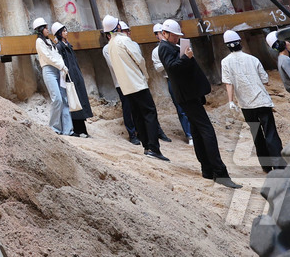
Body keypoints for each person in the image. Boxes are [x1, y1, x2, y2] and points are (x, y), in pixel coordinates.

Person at [158, 19, 239, 188]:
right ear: (165, 33)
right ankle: (219, 172)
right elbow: (172, 68)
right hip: (187, 96)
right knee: (206, 130)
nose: (176, 38)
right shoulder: (164, 47)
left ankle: (207, 169)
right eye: (174, 35)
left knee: (197, 130)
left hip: (189, 94)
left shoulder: (169, 46)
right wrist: (186, 58)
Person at [102, 15, 169, 161]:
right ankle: (154, 148)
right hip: (137, 83)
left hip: (125, 86)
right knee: (149, 113)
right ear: (118, 27)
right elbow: (139, 59)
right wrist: (145, 75)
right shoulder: (124, 40)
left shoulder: (110, 46)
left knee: (137, 115)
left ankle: (146, 146)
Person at [220, 29, 283, 173]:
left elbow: (229, 83)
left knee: (257, 134)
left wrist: (231, 101)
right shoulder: (253, 59)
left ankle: (266, 166)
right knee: (271, 132)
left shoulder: (225, 62)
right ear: (240, 43)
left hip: (246, 104)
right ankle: (279, 166)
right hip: (262, 100)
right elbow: (265, 80)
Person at [150, 22, 191, 146]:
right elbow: (158, 68)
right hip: (171, 79)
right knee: (181, 108)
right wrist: (169, 61)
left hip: (184, 77)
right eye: (158, 33)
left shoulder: (177, 46)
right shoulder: (156, 51)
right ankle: (189, 134)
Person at [32, 17, 73, 135]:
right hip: (49, 71)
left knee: (64, 99)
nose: (47, 29)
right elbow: (47, 57)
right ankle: (54, 128)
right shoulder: (39, 42)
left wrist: (62, 66)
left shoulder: (49, 41)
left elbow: (57, 55)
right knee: (57, 99)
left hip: (58, 70)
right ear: (40, 29)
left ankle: (68, 130)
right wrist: (61, 65)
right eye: (45, 28)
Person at [52, 22, 93, 136]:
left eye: (66, 30)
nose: (66, 33)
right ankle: (78, 130)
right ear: (59, 33)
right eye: (64, 31)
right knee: (74, 102)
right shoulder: (59, 47)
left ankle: (83, 129)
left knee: (80, 101)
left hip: (76, 75)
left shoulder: (68, 45)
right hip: (70, 77)